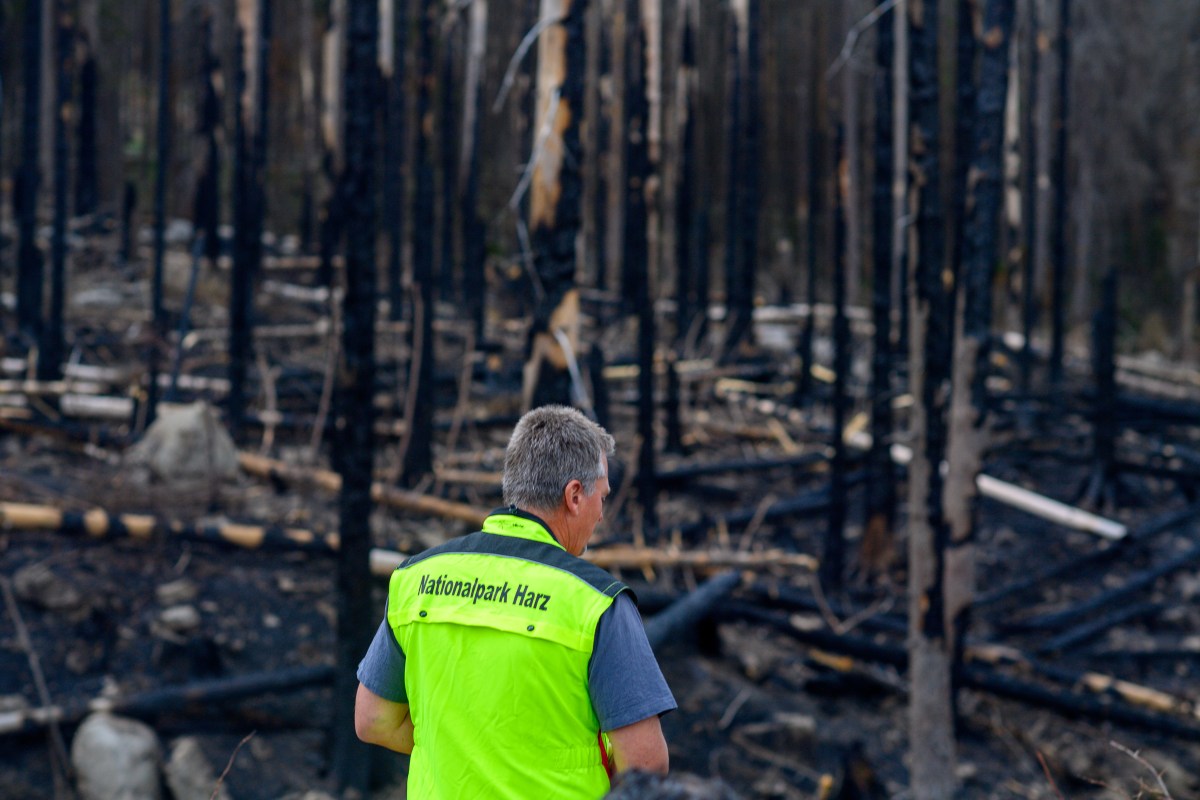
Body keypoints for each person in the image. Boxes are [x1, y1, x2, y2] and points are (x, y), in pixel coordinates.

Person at [355, 405, 676, 798]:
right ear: (574, 495)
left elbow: (373, 720)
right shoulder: (596, 602)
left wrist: (472, 750)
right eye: (601, 498)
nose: (601, 516)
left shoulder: (416, 578)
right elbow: (645, 765)